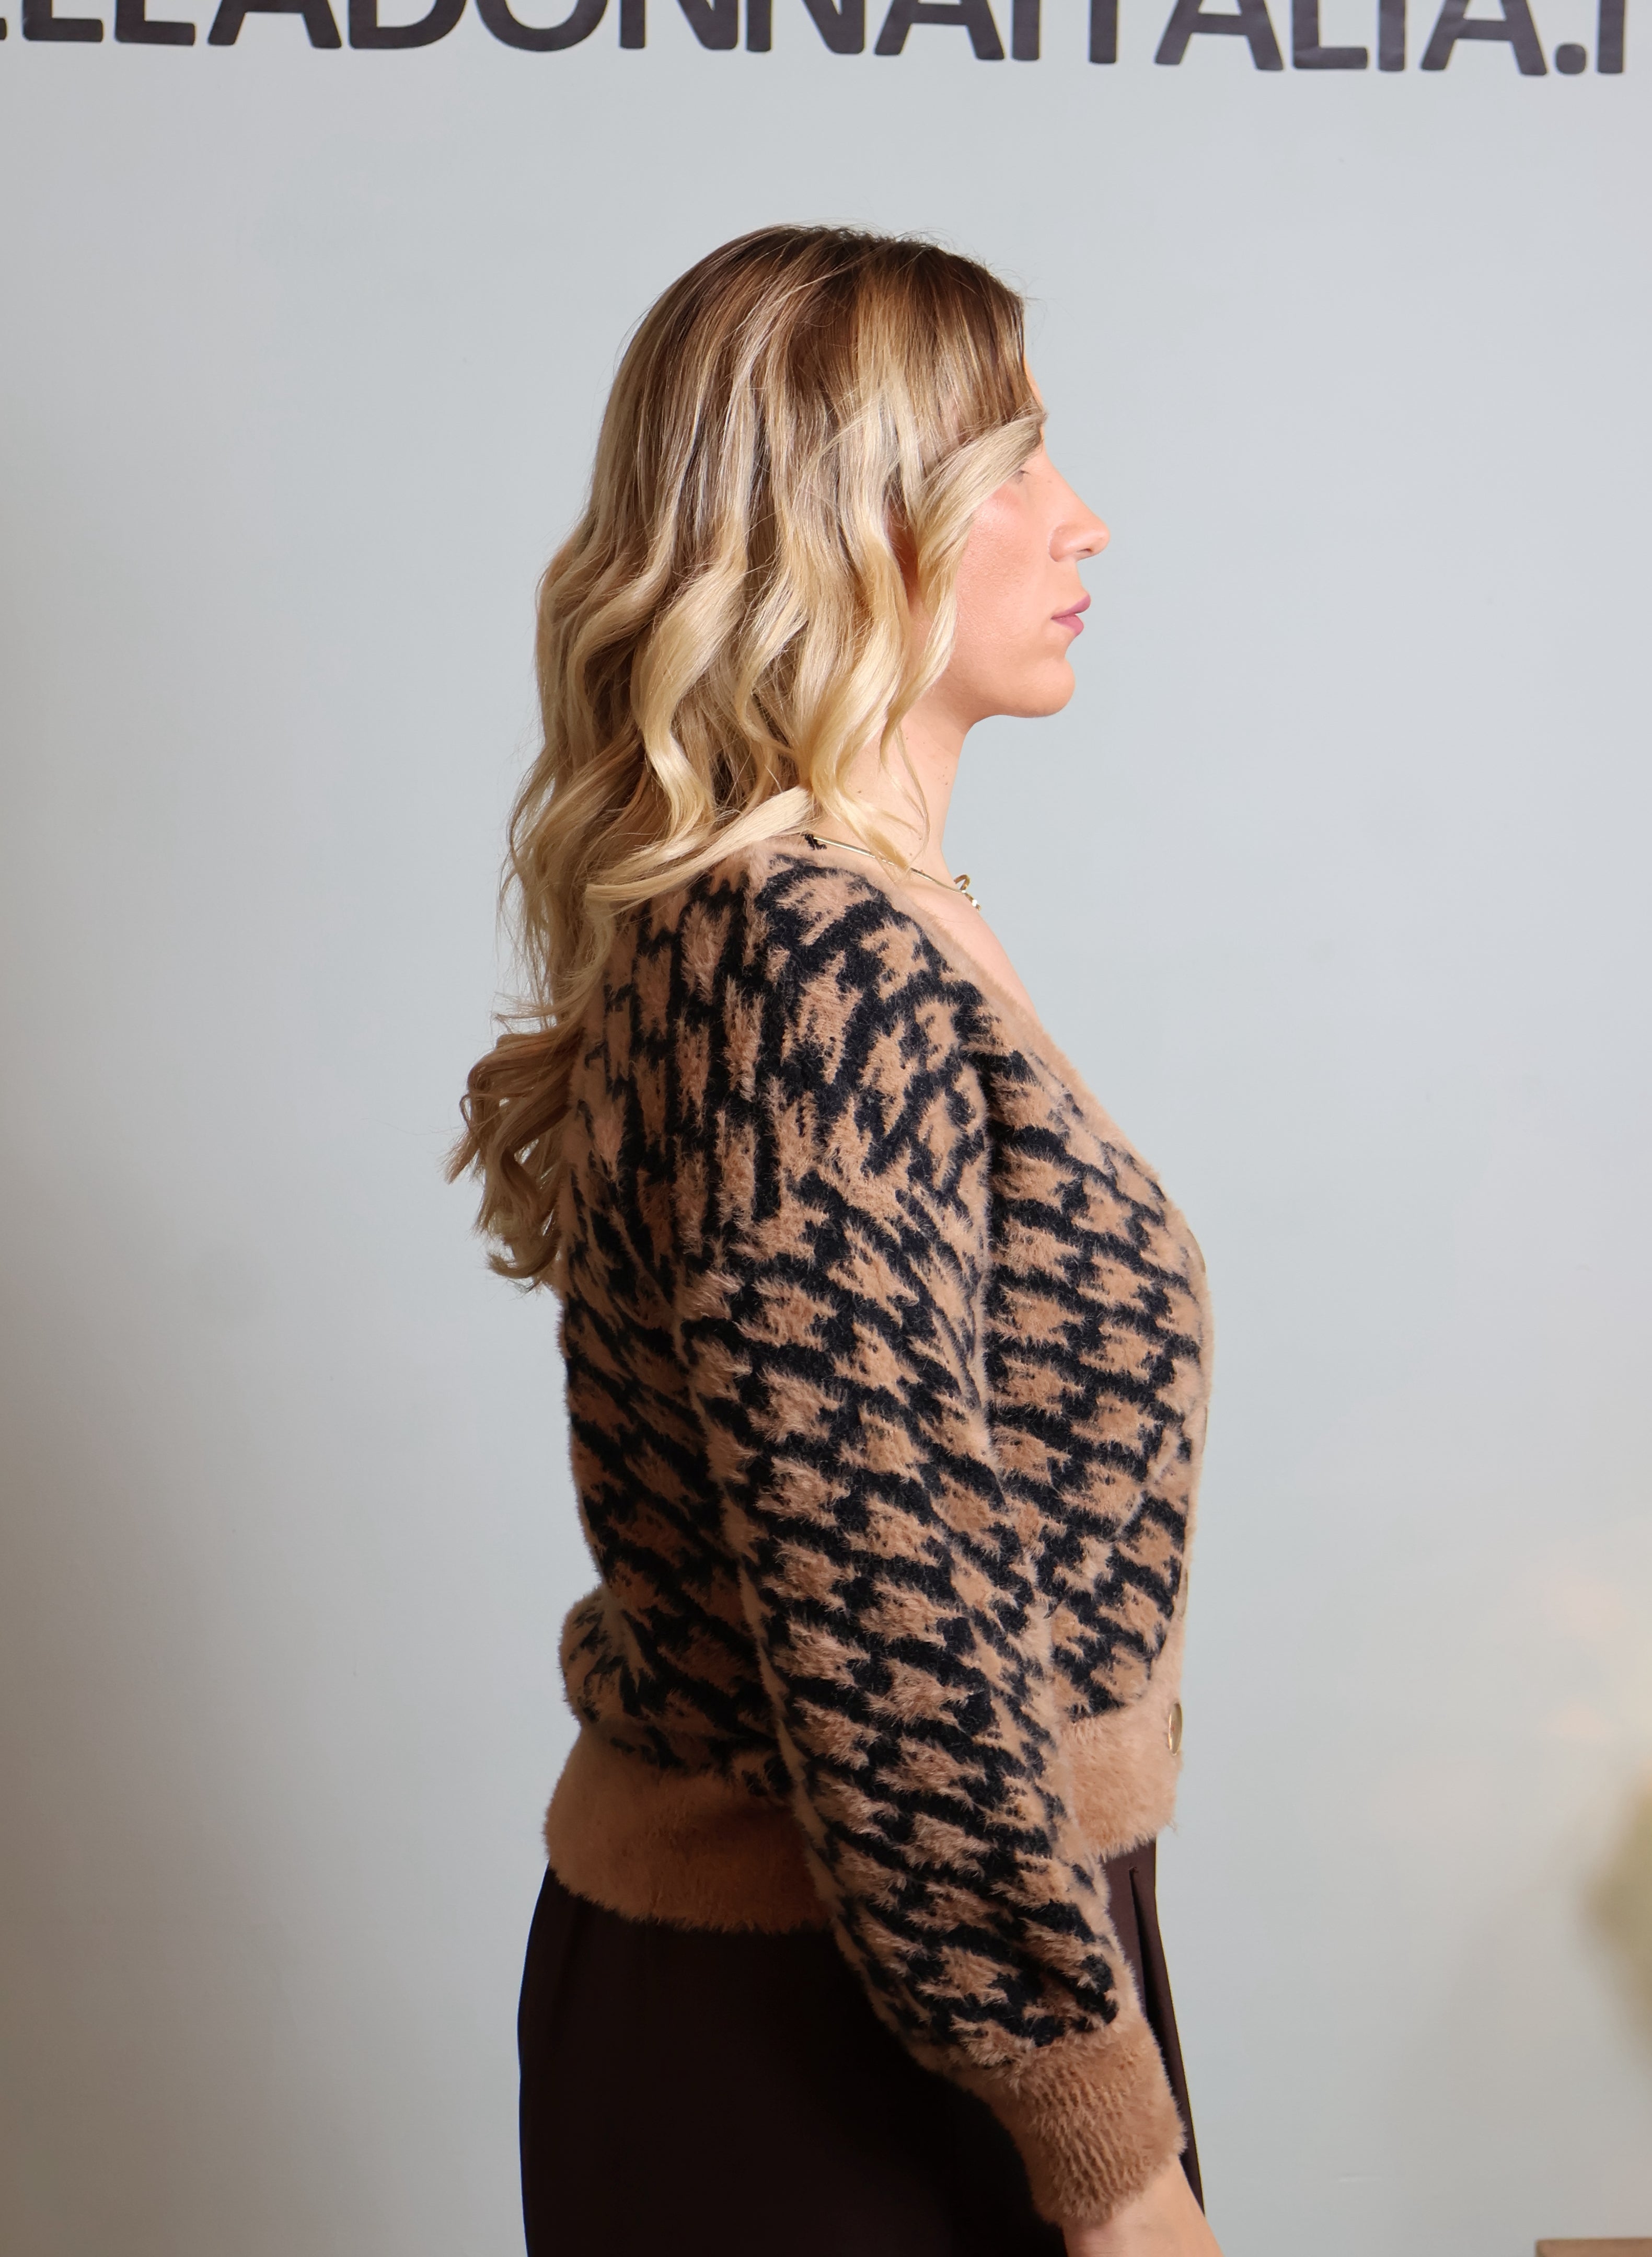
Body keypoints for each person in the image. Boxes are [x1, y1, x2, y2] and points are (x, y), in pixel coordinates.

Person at [453, 225, 1222, 2257]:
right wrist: (1109, 2161)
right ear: (857, 521)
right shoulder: (804, 959)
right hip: (843, 2025)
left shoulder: (855, 924)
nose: (1081, 519)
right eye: (1015, 465)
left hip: (941, 1971)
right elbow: (885, 1605)